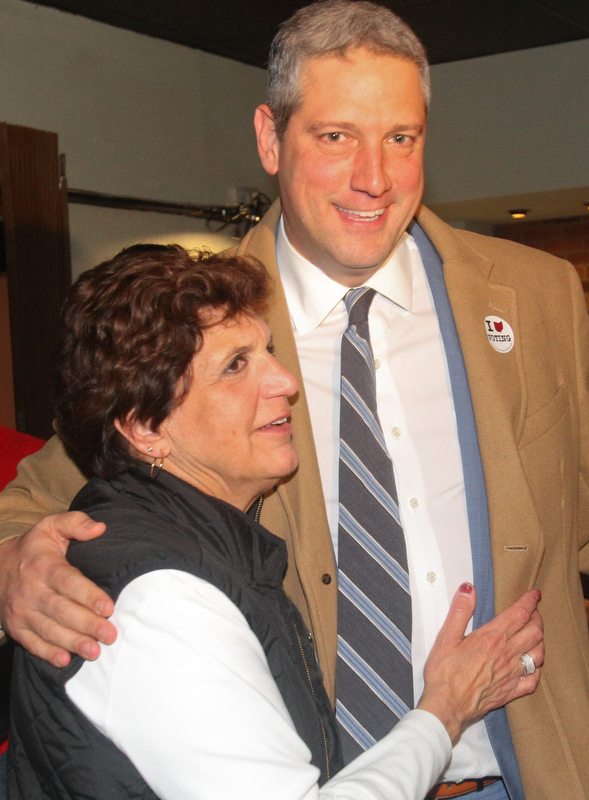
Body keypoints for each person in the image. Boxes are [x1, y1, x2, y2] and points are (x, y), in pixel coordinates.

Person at [0, 1, 587, 797]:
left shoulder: (539, 298)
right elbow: (40, 494)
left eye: (400, 139)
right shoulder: (201, 322)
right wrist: (12, 563)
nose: (373, 177)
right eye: (335, 137)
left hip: (523, 776)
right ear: (270, 140)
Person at [7, 245, 543, 800]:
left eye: (268, 350)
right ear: (145, 428)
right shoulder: (162, 598)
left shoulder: (202, 546)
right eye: (235, 365)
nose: (284, 380)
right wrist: (446, 710)